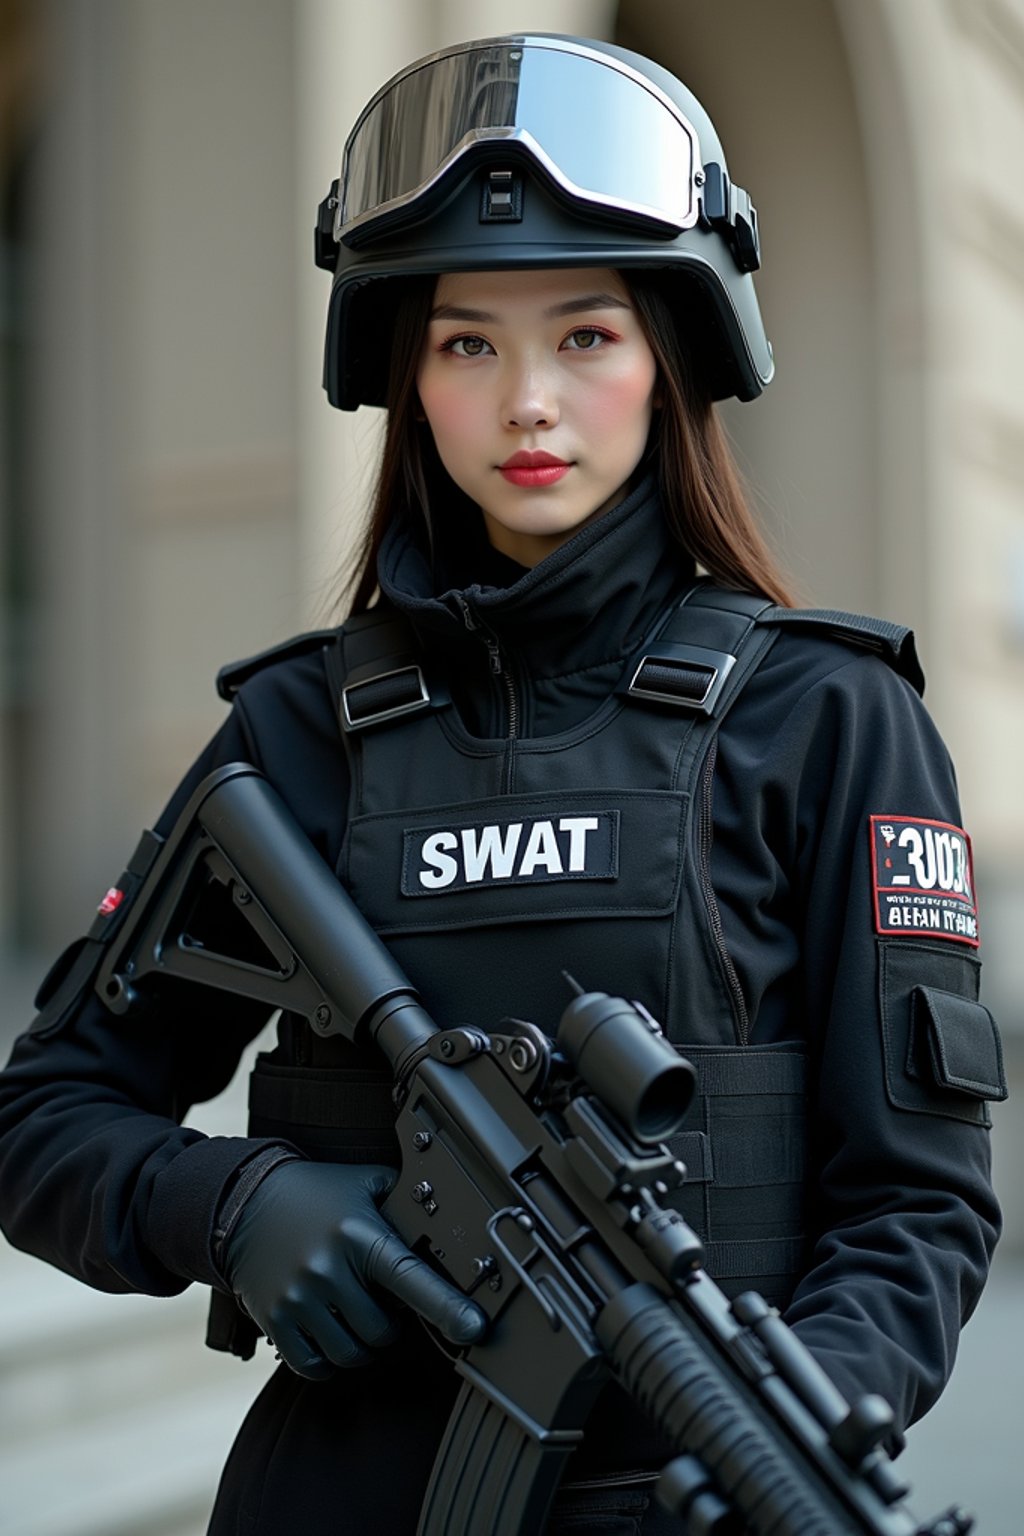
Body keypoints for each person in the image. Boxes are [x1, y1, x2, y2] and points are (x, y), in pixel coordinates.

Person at [0, 34, 1006, 1536]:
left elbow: (920, 1204)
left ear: (671, 351)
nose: (529, 400)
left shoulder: (826, 718)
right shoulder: (299, 731)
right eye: (469, 343)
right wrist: (234, 1207)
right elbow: (49, 1119)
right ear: (407, 372)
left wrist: (791, 1423)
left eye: (585, 336)